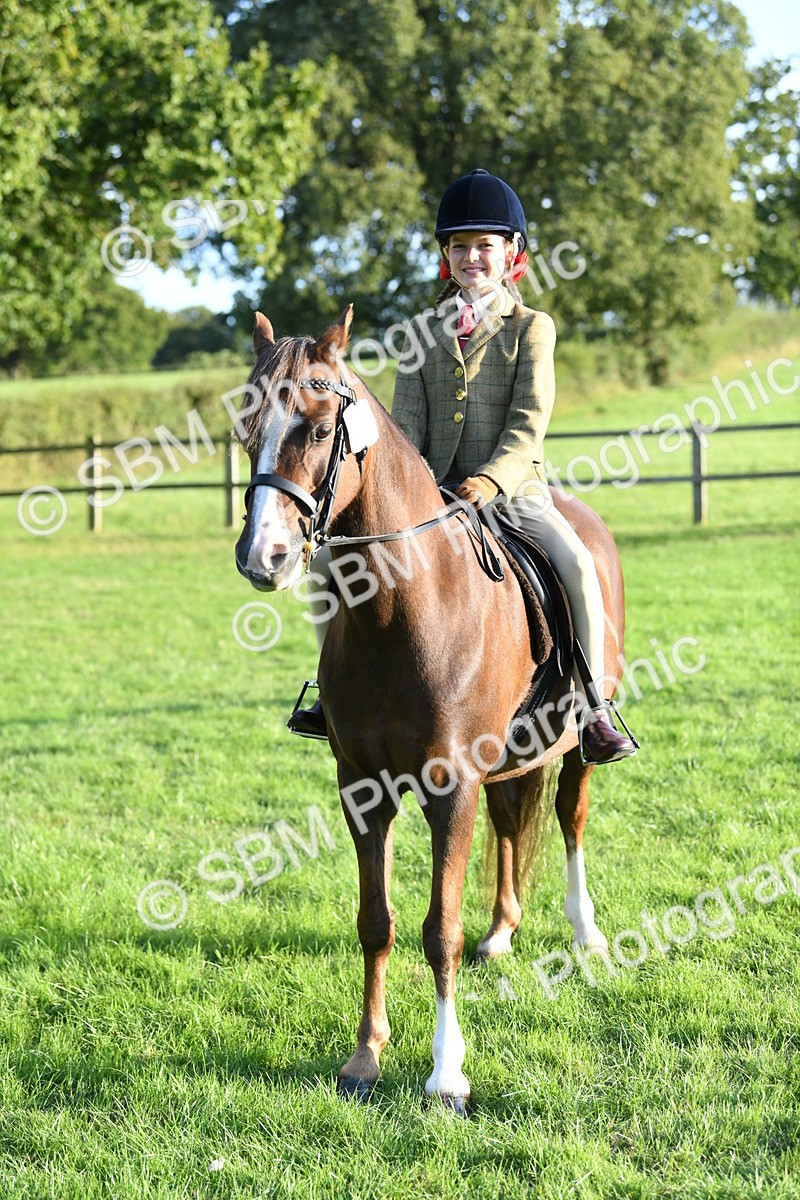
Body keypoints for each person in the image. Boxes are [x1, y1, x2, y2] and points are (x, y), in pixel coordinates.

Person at [290, 167, 636, 765]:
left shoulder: (532, 329)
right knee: (328, 568)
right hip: (433, 497)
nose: (471, 257)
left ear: (511, 255)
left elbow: (528, 423)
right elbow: (404, 432)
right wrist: (419, 490)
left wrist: (488, 480)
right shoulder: (420, 333)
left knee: (578, 562)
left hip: (513, 492)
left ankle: (593, 709)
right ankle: (328, 696)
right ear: (445, 257)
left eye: (484, 246)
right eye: (459, 247)